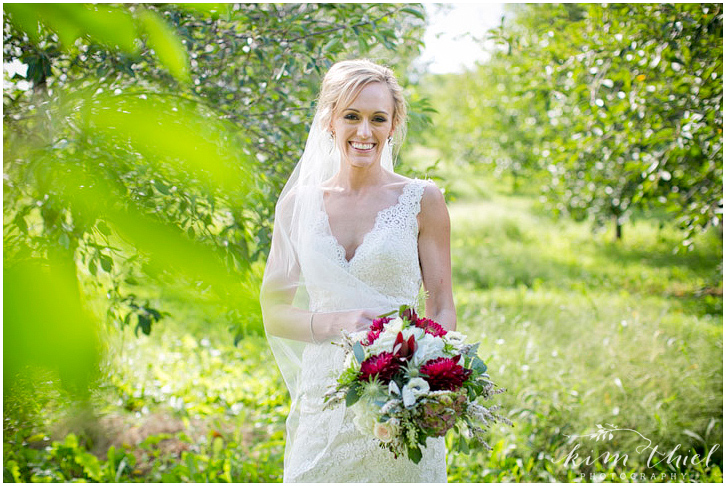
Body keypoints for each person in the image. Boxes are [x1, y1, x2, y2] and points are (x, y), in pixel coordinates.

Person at [260, 59, 456, 483]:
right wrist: (337, 322)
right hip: (324, 397)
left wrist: (426, 381)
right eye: (352, 116)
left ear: (393, 124)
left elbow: (441, 306)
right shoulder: (297, 205)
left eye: (377, 119)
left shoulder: (423, 199)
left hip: (399, 395)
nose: (364, 132)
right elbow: (273, 312)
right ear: (330, 120)